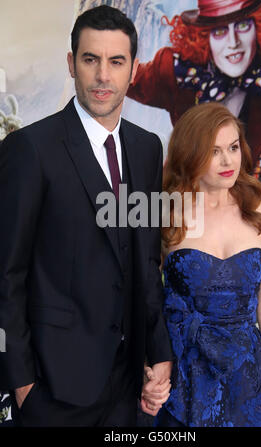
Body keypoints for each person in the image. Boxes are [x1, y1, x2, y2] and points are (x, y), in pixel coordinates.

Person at [0, 5, 172, 427]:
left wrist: (160, 353)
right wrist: (23, 388)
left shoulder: (147, 148)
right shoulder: (30, 150)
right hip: (51, 390)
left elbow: (146, 264)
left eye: (116, 62)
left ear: (133, 69)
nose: (103, 76)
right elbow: (6, 276)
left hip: (125, 384)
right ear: (71, 64)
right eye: (90, 59)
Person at [143, 102, 261, 427]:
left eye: (233, 148)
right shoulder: (166, 214)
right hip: (183, 374)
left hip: (247, 376)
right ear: (192, 154)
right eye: (214, 151)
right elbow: (144, 301)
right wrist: (148, 366)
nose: (228, 161)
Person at [127, 0, 261, 254]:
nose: (233, 43)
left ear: (259, 25)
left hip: (250, 202)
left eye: (242, 26)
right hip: (184, 200)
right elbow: (124, 77)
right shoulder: (176, 73)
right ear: (203, 35)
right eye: (219, 31)